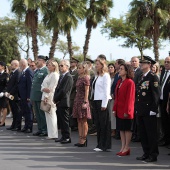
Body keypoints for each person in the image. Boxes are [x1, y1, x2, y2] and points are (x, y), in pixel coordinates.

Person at [136, 56, 160, 162]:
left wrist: (153, 110)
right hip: (141, 109)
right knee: (143, 133)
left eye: (143, 62)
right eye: (140, 62)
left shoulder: (153, 77)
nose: (141, 64)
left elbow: (156, 95)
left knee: (151, 134)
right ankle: (146, 153)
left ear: (149, 64)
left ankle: (153, 154)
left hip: (149, 109)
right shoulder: (142, 76)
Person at [113, 64, 135, 156]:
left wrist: (128, 111)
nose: (119, 70)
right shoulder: (119, 81)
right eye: (119, 69)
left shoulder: (130, 82)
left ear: (127, 71)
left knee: (127, 129)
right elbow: (116, 97)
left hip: (126, 110)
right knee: (121, 129)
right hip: (119, 109)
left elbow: (130, 98)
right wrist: (114, 109)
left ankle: (127, 147)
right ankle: (122, 147)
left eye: (121, 69)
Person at [92, 57, 112, 151]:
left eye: (98, 64)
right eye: (96, 64)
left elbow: (106, 91)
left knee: (104, 124)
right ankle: (99, 144)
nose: (96, 66)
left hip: (102, 101)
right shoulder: (97, 76)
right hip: (96, 100)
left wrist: (104, 104)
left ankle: (104, 144)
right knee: (98, 124)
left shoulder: (106, 75)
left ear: (102, 65)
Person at [54, 59, 73, 144]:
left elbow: (63, 91)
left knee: (65, 121)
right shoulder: (62, 76)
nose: (60, 67)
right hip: (59, 101)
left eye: (62, 65)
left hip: (64, 101)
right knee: (61, 120)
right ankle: (63, 136)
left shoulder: (68, 77)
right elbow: (57, 88)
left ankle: (67, 137)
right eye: (60, 65)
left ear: (67, 67)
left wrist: (56, 99)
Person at [72, 62, 91, 147]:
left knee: (84, 120)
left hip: (83, 99)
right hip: (77, 99)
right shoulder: (79, 77)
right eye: (78, 68)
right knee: (79, 120)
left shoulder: (86, 78)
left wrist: (85, 101)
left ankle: (84, 138)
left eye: (80, 68)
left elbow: (87, 90)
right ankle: (80, 138)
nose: (78, 69)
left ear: (84, 69)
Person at [30, 55, 48, 137]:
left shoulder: (45, 71)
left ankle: (44, 130)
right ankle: (40, 129)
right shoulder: (37, 71)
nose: (37, 62)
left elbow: (46, 84)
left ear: (43, 61)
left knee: (42, 114)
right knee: (37, 114)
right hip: (35, 95)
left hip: (41, 95)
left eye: (39, 60)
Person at [41, 60, 59, 139]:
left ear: (54, 66)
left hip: (50, 97)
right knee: (47, 116)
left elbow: (52, 88)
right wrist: (43, 89)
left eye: (50, 65)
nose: (48, 66)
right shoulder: (48, 75)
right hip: (44, 94)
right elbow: (42, 85)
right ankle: (50, 133)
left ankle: (54, 134)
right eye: (48, 65)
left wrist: (47, 97)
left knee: (52, 115)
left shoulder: (55, 75)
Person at [18, 59, 33, 133]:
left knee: (28, 112)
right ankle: (26, 126)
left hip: (27, 96)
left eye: (20, 64)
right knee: (25, 112)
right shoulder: (23, 72)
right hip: (22, 96)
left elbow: (30, 85)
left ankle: (29, 127)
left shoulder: (28, 71)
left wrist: (29, 96)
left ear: (23, 64)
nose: (19, 66)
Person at [5, 60, 21, 131]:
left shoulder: (18, 73)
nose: (11, 66)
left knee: (17, 111)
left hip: (15, 95)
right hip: (11, 95)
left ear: (16, 65)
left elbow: (16, 85)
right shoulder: (12, 73)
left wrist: (10, 92)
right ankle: (13, 125)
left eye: (12, 65)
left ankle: (17, 126)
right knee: (13, 111)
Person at [159, 57, 170, 147]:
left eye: (168, 62)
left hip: (168, 101)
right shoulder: (163, 72)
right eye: (165, 62)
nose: (166, 63)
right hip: (162, 100)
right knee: (164, 122)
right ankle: (166, 140)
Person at [130, 57, 142, 143]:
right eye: (132, 61)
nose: (134, 63)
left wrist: (132, 91)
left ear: (138, 63)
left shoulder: (140, 71)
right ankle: (134, 133)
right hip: (131, 97)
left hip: (137, 96)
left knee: (137, 117)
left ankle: (138, 135)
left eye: (135, 61)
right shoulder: (130, 71)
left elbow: (139, 84)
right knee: (133, 117)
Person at [69, 57, 79, 131]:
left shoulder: (77, 72)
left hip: (73, 94)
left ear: (76, 63)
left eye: (72, 62)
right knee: (69, 110)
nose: (71, 63)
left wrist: (68, 89)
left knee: (73, 109)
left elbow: (75, 84)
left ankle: (74, 125)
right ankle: (71, 124)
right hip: (68, 94)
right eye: (70, 62)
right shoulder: (69, 72)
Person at [108, 63, 116, 137]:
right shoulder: (107, 76)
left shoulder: (115, 77)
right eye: (109, 67)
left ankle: (113, 131)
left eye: (112, 67)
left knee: (112, 114)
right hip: (107, 97)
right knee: (108, 115)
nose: (110, 69)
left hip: (113, 97)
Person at [0, 61, 9, 127]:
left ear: (3, 66)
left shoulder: (6, 75)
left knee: (4, 107)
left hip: (3, 94)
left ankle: (3, 121)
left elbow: (7, 85)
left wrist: (3, 92)